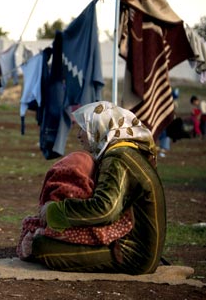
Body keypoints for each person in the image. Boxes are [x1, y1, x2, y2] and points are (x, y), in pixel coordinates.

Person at [27, 101, 166, 275]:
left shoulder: (118, 159)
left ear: (100, 129)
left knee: (41, 245)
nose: (79, 136)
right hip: (135, 248)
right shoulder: (127, 153)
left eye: (84, 129)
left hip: (133, 254)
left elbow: (105, 210)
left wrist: (56, 211)